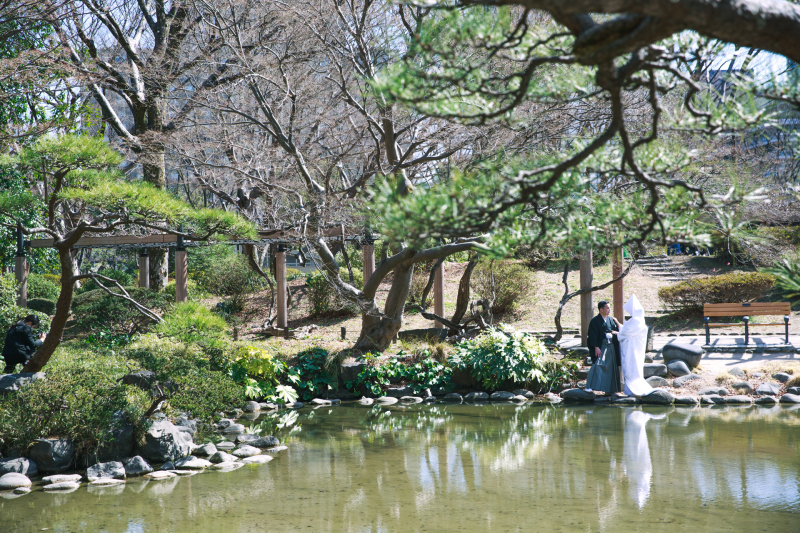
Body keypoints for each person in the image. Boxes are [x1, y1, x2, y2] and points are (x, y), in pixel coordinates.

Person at [617, 295, 653, 397]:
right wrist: (619, 325)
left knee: (631, 370)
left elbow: (625, 332)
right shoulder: (638, 320)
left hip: (632, 350)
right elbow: (626, 330)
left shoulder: (636, 321)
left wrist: (617, 333)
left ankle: (633, 391)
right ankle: (630, 391)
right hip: (634, 349)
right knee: (632, 370)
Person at [585, 301, 622, 394]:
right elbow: (592, 335)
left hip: (611, 346)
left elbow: (618, 331)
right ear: (601, 309)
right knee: (598, 364)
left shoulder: (611, 320)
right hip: (601, 346)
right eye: (607, 308)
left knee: (611, 367)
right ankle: (589, 386)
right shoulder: (595, 321)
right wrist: (596, 347)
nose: (609, 310)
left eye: (609, 308)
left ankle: (610, 389)